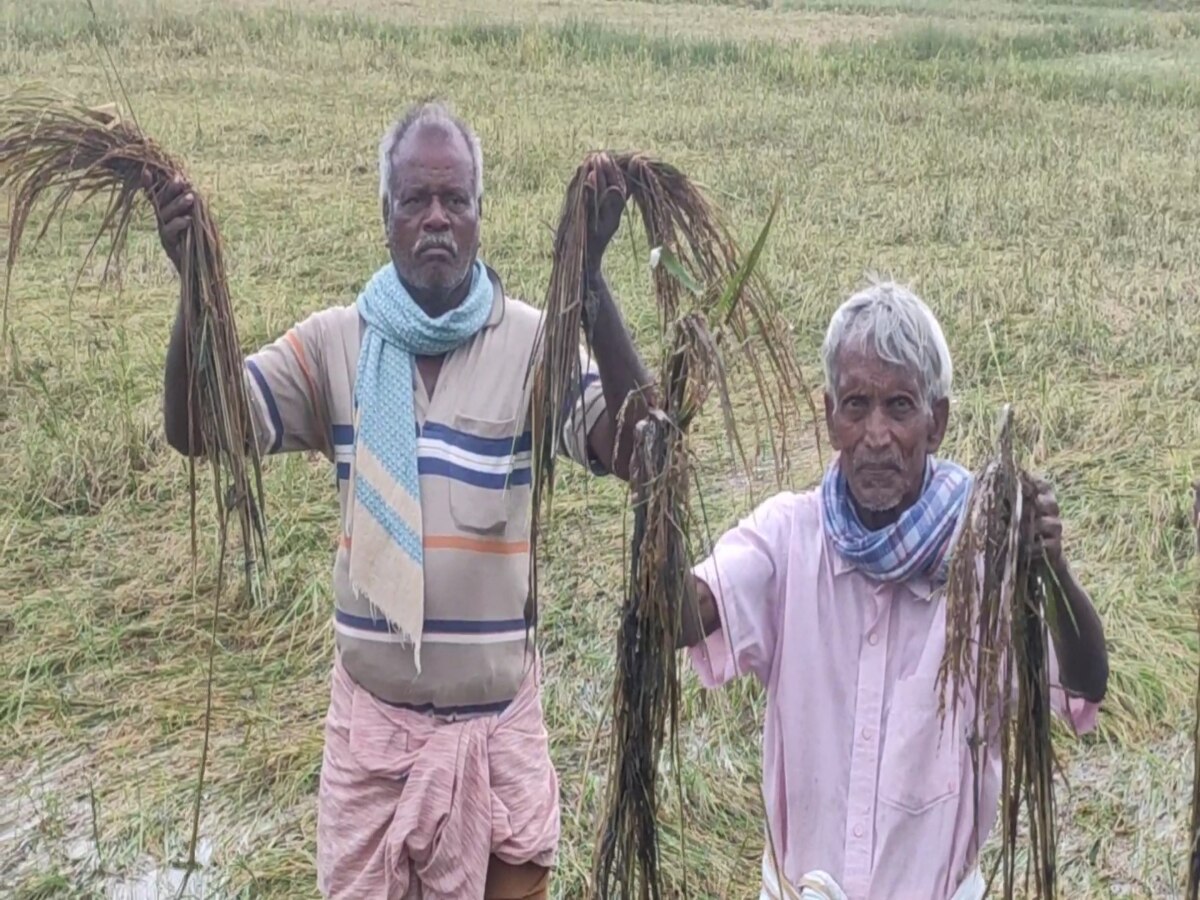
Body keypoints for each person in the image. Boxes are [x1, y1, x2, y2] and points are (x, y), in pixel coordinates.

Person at [150, 101, 652, 900]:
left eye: (455, 200)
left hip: (496, 741)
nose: (436, 220)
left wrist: (589, 281)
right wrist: (193, 288)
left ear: (482, 216)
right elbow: (199, 428)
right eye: (415, 200)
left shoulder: (532, 345)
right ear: (384, 216)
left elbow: (635, 448)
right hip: (373, 743)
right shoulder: (333, 346)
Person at [676, 281, 1109, 900]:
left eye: (900, 407)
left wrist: (1053, 570)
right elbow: (682, 617)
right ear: (830, 418)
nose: (876, 435)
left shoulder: (983, 559)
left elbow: (1085, 684)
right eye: (856, 406)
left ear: (937, 422)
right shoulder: (788, 539)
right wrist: (656, 483)